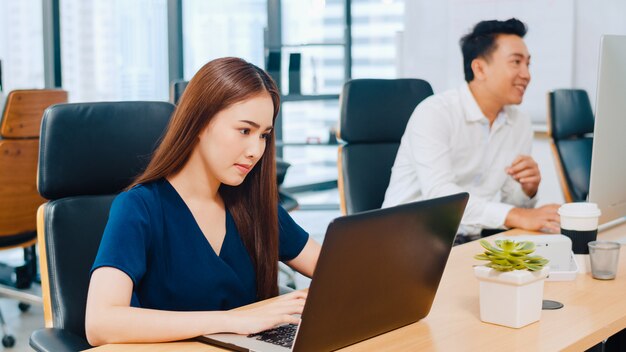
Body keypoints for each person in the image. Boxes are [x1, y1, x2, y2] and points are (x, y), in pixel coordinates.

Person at [85, 57, 321, 345]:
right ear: (199, 122)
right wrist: (230, 321)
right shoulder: (140, 207)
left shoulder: (255, 207)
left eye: (264, 135)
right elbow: (100, 323)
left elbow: (336, 269)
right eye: (245, 131)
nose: (255, 150)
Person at [382, 18, 560, 237]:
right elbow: (440, 198)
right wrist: (517, 214)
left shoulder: (520, 123)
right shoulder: (435, 113)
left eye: (528, 64)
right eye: (516, 62)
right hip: (407, 238)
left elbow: (511, 203)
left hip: (468, 239)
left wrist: (527, 190)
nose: (526, 74)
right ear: (479, 68)